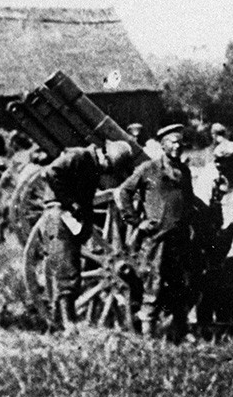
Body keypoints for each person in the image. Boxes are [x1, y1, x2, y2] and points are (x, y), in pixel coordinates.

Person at [119, 123, 203, 341]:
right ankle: (148, 337)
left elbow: (189, 200)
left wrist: (191, 224)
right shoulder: (149, 168)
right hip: (157, 240)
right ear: (163, 145)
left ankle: (180, 333)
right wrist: (137, 222)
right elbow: (124, 192)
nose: (177, 146)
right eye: (172, 142)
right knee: (153, 285)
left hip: (180, 238)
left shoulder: (183, 171)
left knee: (179, 285)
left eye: (180, 142)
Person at [39, 139, 132, 330]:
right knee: (67, 269)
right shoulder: (80, 156)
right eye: (110, 168)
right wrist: (70, 202)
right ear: (106, 158)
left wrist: (86, 227)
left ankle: (56, 324)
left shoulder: (93, 167)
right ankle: (68, 324)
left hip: (70, 219)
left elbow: (87, 201)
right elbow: (51, 172)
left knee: (68, 268)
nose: (108, 173)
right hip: (59, 214)